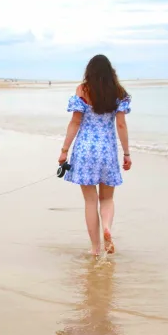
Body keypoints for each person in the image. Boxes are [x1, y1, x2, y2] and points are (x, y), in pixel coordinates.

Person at [59, 54, 132, 256]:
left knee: (90, 201)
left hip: (84, 150)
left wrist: (64, 151)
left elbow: (75, 122)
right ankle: (107, 227)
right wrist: (126, 153)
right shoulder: (119, 93)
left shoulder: (83, 90)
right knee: (107, 199)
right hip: (107, 151)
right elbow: (121, 125)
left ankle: (95, 248)